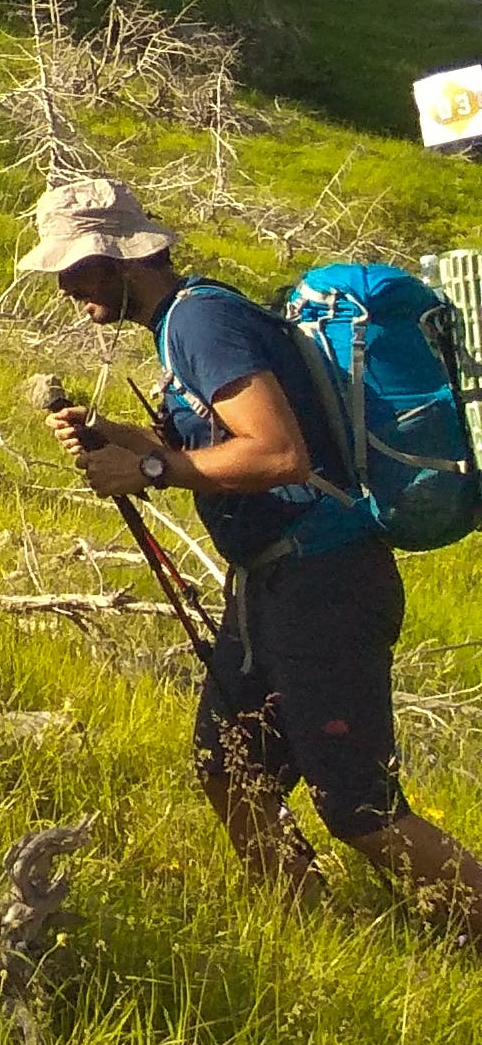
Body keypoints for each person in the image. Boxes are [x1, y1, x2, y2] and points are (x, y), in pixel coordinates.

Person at [24, 175, 482, 945]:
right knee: (229, 766)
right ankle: (312, 940)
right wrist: (125, 440)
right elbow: (217, 448)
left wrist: (148, 472)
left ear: (124, 257)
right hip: (272, 579)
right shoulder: (182, 326)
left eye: (77, 267)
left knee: (358, 805)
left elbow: (279, 452)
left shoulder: (204, 322)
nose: (68, 287)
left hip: (324, 579)